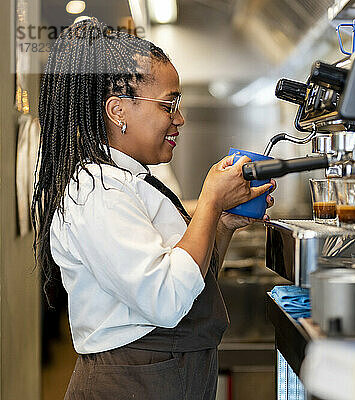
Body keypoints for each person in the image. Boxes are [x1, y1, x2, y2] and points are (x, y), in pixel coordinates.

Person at [31, 18, 275, 399]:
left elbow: (189, 280)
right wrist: (209, 201)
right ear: (118, 111)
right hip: (132, 383)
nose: (179, 118)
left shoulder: (131, 180)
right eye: (168, 104)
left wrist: (222, 224)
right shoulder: (96, 191)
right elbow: (166, 299)